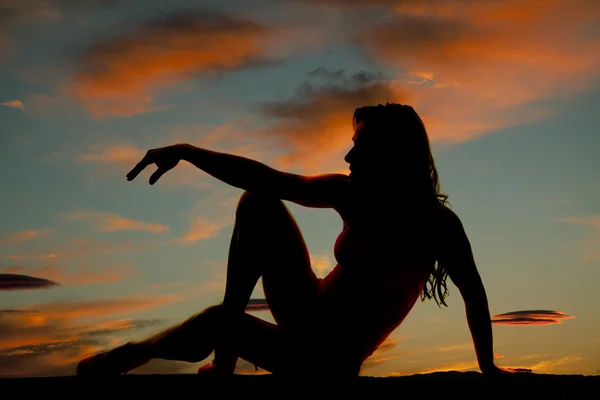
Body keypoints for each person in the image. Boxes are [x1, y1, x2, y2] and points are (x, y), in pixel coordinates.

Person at [76, 103, 529, 377]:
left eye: (361, 146)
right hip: (306, 306)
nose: (349, 154)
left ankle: (134, 356)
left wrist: (487, 367)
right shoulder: (351, 195)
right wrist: (189, 153)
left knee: (218, 321)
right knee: (259, 201)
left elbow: (475, 293)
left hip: (326, 361)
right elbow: (266, 177)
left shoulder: (436, 224)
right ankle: (228, 359)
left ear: (391, 155)